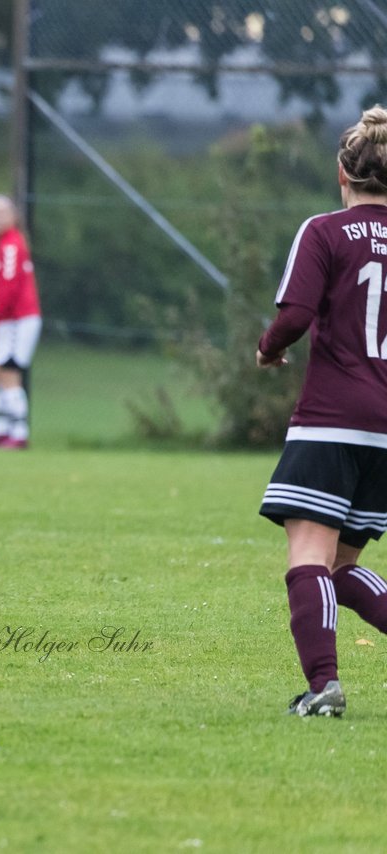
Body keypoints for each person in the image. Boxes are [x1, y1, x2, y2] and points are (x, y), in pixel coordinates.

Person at [255, 105, 387, 717]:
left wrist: (268, 349)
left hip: (333, 418)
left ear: (343, 172)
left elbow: (296, 317)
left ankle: (323, 688)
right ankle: (322, 685)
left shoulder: (324, 231)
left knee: (309, 559)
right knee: (340, 567)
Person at [0, 194, 41, 450]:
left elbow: (11, 289)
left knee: (8, 373)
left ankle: (19, 433)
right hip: (10, 320)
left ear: (13, 216)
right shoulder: (5, 243)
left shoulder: (12, 244)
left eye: (0, 213)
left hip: (18, 320)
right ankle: (3, 430)